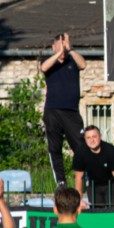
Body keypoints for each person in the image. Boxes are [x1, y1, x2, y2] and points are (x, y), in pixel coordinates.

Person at [40, 33, 88, 187]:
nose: (63, 49)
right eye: (59, 45)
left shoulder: (73, 62)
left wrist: (70, 49)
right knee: (55, 148)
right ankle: (61, 181)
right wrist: (58, 54)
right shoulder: (49, 62)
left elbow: (83, 65)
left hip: (71, 112)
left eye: (65, 45)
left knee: (81, 146)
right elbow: (43, 67)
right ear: (54, 47)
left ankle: (86, 177)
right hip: (53, 111)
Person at [73, 126, 114, 209]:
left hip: (111, 184)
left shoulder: (111, 151)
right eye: (88, 137)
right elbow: (78, 178)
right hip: (93, 185)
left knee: (113, 212)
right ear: (85, 139)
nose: (92, 140)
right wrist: (79, 200)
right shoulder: (80, 152)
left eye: (94, 137)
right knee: (96, 213)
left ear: (100, 136)